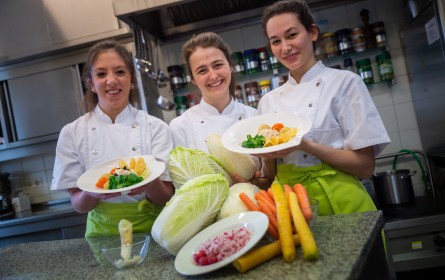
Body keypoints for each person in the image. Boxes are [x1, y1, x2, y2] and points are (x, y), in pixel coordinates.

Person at [257, 0, 390, 216]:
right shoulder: (268, 102)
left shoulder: (346, 83)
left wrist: (305, 145)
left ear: (312, 33)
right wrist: (257, 175)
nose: (285, 48)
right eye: (275, 41)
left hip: (343, 204)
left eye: (291, 35)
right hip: (292, 210)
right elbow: (271, 176)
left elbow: (365, 167)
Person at [51, 40, 174, 237]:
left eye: (119, 72)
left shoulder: (156, 127)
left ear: (132, 80)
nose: (111, 80)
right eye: (101, 74)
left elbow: (165, 197)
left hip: (154, 229)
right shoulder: (72, 133)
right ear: (91, 84)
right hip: (102, 233)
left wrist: (150, 182)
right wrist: (91, 193)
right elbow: (79, 205)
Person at [169, 32, 269, 186]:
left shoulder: (254, 117)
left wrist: (256, 182)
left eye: (218, 65)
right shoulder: (180, 127)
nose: (213, 75)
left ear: (230, 66)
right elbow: (182, 186)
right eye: (202, 70)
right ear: (193, 79)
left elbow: (268, 179)